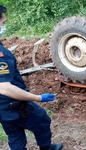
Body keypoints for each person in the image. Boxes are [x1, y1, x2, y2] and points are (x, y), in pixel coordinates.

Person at [0, 5, 63, 150]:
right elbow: (4, 87)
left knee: (14, 134)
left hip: (2, 109)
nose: (4, 26)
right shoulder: (2, 55)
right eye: (2, 23)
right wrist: (38, 98)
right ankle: (46, 147)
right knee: (42, 119)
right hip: (13, 104)